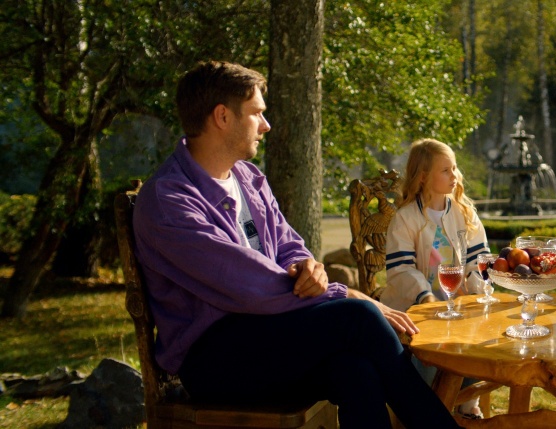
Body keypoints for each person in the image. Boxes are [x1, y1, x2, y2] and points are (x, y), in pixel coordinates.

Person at [132, 61, 460, 429]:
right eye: (256, 113)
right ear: (222, 116)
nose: (266, 125)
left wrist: (309, 267)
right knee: (360, 316)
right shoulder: (169, 200)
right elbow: (247, 284)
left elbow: (288, 245)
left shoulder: (247, 177)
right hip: (214, 358)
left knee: (355, 370)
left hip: (269, 333)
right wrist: (344, 293)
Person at [385, 138, 489, 418]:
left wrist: (474, 290)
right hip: (416, 307)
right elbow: (401, 270)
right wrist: (426, 297)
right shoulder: (405, 219)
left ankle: (467, 404)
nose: (454, 175)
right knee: (429, 342)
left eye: (454, 168)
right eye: (445, 170)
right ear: (422, 176)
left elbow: (478, 260)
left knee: (478, 336)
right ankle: (422, 409)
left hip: (458, 305)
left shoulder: (464, 213)